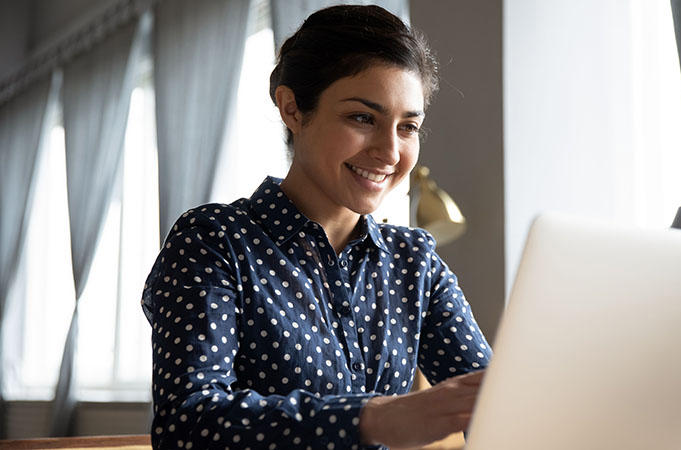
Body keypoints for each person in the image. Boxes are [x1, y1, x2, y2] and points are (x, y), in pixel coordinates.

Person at [141, 5, 492, 449]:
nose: (389, 151)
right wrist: (372, 419)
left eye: (408, 127)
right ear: (292, 109)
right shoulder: (214, 240)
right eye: (363, 118)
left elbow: (493, 406)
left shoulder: (414, 261)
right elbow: (186, 425)